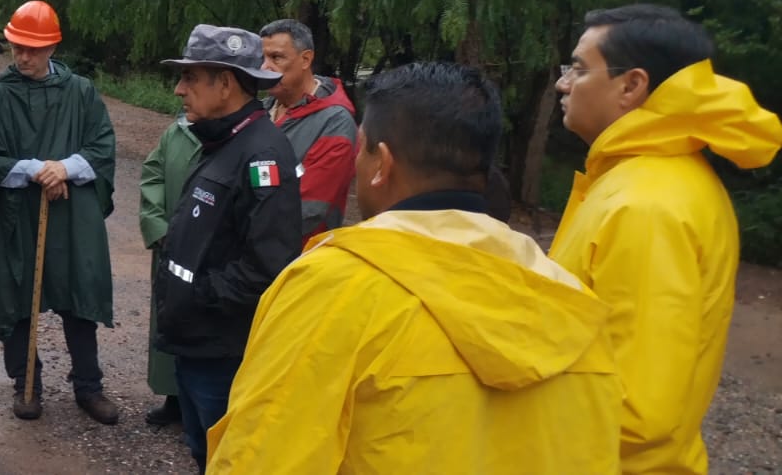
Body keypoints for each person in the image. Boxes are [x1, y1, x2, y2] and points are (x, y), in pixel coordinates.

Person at [207, 62, 622, 474]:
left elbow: (259, 458)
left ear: (382, 163)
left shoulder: (333, 287)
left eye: (361, 149)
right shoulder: (571, 304)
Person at [550, 4, 782, 473]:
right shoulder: (638, 181)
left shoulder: (647, 207)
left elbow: (636, 412)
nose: (563, 83)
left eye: (578, 68)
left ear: (631, 86)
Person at [153, 25, 302, 471]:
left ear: (225, 83)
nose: (180, 89)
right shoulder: (222, 141)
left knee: (226, 458)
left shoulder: (263, 156)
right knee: (203, 452)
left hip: (221, 351)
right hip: (194, 341)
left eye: (191, 78)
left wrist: (197, 297)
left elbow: (268, 266)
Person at [0, 0, 120, 425]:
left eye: (33, 48)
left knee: (79, 293)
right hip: (17, 214)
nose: (23, 56)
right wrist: (36, 170)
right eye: (17, 46)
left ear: (52, 46)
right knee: (18, 295)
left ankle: (88, 386)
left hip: (70, 214)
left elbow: (102, 147)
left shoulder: (81, 92)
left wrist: (64, 168)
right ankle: (27, 383)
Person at [257, 19, 356, 240]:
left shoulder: (334, 123)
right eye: (262, 58)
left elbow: (309, 209)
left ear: (306, 59)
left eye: (276, 58)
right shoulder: (262, 111)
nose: (265, 67)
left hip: (298, 258)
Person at [136, 116, 199, 427]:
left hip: (208, 252)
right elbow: (152, 175)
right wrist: (158, 226)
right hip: (170, 246)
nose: (183, 90)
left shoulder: (240, 135)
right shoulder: (176, 132)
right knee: (169, 316)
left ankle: (201, 409)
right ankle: (173, 398)